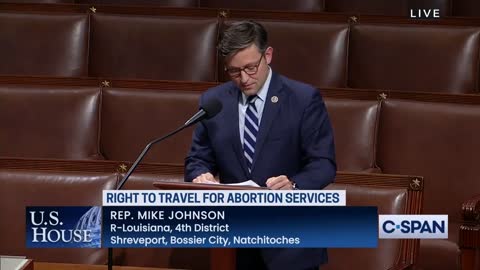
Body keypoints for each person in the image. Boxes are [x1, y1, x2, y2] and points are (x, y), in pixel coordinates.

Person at [185, 20, 336, 270]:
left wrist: (294, 185)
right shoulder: (213, 101)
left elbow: (323, 164)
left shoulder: (303, 99)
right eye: (234, 71)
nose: (244, 78)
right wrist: (201, 175)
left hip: (291, 243)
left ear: (268, 55)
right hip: (233, 242)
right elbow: (197, 159)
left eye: (251, 68)